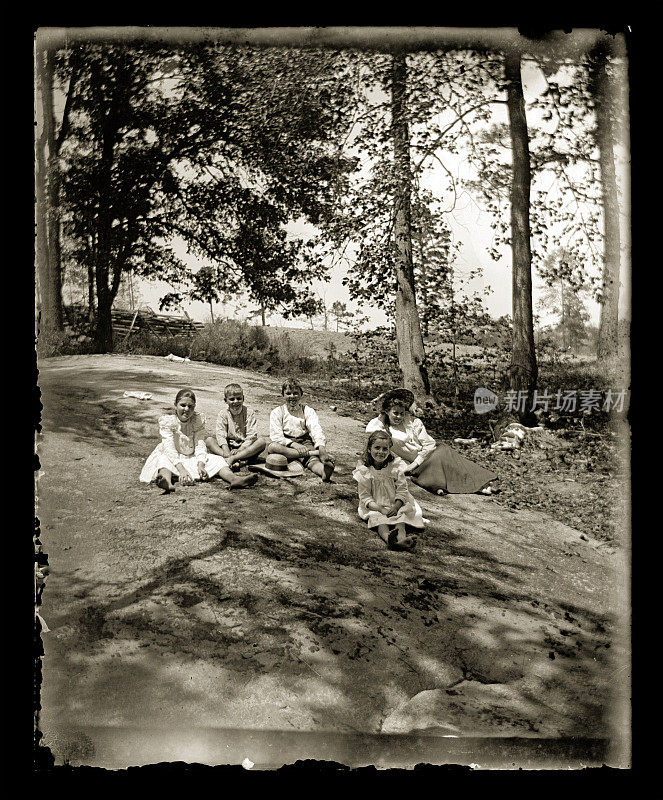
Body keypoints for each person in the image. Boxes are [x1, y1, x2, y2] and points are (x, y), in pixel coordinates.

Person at [366, 388, 497, 495]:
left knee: (445, 454)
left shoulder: (412, 422)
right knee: (438, 466)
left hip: (426, 455)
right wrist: (383, 416)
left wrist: (415, 463)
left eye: (402, 413)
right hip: (415, 463)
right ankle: (477, 485)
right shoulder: (382, 428)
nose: (399, 417)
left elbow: (429, 445)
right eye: (395, 413)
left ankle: (480, 481)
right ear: (387, 411)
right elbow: (371, 430)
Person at [139, 388, 258, 492]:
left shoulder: (197, 420)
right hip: (174, 456)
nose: (186, 409)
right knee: (163, 460)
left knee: (217, 460)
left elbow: (200, 445)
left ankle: (234, 479)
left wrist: (201, 465)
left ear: (194, 407)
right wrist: (182, 470)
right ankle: (166, 482)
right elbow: (169, 448)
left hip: (192, 456)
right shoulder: (168, 422)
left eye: (190, 406)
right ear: (175, 404)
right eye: (183, 405)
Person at [352, 430, 422, 552]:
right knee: (380, 521)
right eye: (377, 448)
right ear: (369, 449)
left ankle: (401, 540)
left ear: (390, 450)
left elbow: (402, 490)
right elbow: (365, 497)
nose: (381, 452)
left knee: (401, 520)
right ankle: (389, 539)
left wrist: (396, 506)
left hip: (395, 503)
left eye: (385, 449)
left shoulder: (395, 467)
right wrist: (380, 508)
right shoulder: (364, 471)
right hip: (375, 506)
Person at [267, 378, 335, 482]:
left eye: (295, 393)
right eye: (288, 393)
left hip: (304, 442)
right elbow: (276, 436)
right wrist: (293, 445)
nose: (292, 397)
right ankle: (314, 453)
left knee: (313, 462)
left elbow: (315, 429)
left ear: (301, 394)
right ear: (283, 395)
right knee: (273, 447)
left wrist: (321, 447)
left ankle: (324, 472)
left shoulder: (307, 411)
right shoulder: (277, 412)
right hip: (286, 444)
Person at [205, 383, 268, 470]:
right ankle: (231, 458)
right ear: (225, 400)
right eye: (232, 399)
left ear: (243, 398)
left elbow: (251, 436)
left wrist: (240, 449)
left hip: (245, 447)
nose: (235, 402)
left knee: (262, 442)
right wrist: (226, 450)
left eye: (239, 398)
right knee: (209, 441)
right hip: (228, 446)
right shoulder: (223, 414)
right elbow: (220, 434)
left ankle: (234, 458)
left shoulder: (249, 413)